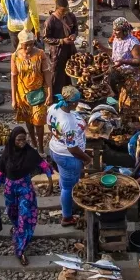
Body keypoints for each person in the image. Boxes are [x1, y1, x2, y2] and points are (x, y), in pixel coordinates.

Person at [0, 125, 43, 264]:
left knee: (24, 217)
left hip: (25, 189)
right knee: (12, 213)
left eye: (24, 139)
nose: (22, 142)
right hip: (10, 189)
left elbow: (43, 164)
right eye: (19, 140)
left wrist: (51, 181)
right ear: (13, 140)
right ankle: (17, 229)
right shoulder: (7, 153)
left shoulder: (30, 152)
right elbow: (0, 172)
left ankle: (20, 249)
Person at [46, 91, 88, 227]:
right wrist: (87, 159)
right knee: (68, 187)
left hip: (55, 148)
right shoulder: (68, 123)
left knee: (65, 182)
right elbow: (73, 149)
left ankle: (68, 201)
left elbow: (49, 126)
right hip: (68, 156)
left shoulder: (53, 108)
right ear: (74, 103)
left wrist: (59, 137)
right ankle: (67, 217)